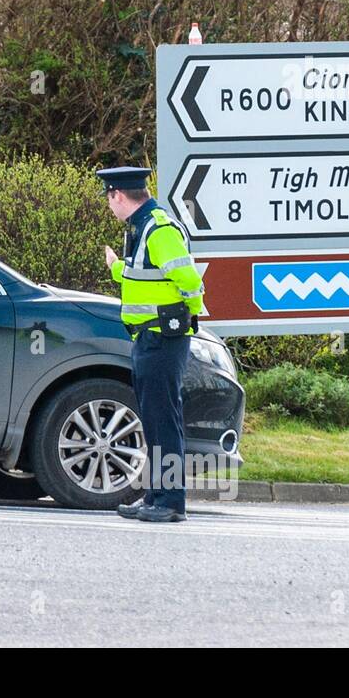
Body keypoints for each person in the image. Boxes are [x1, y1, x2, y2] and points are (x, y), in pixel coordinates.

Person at [97, 166, 204, 524]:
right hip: (150, 338)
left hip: (163, 337)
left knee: (164, 421)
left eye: (109, 199)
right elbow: (144, 277)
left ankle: (172, 501)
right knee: (154, 421)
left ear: (118, 196)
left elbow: (189, 278)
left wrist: (184, 316)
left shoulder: (158, 229)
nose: (109, 207)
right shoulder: (144, 229)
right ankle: (157, 495)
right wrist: (116, 269)